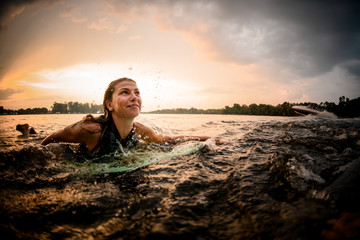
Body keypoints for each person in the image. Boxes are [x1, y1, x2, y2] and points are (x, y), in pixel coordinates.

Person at [41, 77, 213, 156]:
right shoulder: (91, 130)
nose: (134, 97)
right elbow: (51, 139)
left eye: (137, 93)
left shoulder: (140, 130)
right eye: (125, 92)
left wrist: (209, 139)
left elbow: (168, 139)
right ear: (109, 104)